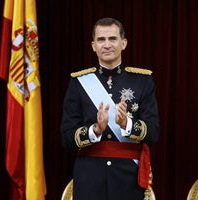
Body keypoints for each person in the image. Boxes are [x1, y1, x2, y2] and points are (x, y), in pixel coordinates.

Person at [61, 17, 159, 200]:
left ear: (124, 43)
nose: (107, 45)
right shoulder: (78, 83)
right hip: (89, 175)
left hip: (128, 175)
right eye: (101, 39)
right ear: (93, 45)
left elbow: (153, 133)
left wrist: (126, 124)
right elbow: (66, 138)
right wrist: (95, 129)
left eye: (112, 39)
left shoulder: (143, 81)